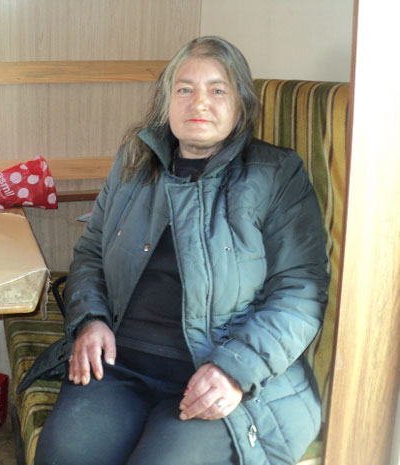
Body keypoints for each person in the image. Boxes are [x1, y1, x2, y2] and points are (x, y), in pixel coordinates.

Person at [29, 36, 329, 465]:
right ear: (166, 102)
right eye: (184, 89)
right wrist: (91, 320)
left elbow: (300, 292)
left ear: (241, 106)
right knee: (64, 456)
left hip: (217, 367)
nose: (198, 102)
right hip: (120, 365)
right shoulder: (134, 163)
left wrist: (235, 370)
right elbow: (91, 252)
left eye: (217, 90)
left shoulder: (277, 174)